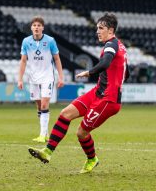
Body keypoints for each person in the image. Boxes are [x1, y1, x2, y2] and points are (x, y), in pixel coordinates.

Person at [28, 13, 129, 173]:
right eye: (97, 28)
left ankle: (92, 159)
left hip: (108, 100)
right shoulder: (120, 46)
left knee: (81, 133)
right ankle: (47, 152)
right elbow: (126, 72)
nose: (97, 31)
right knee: (65, 114)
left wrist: (89, 72)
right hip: (98, 92)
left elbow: (105, 63)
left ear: (110, 30)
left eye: (101, 28)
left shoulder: (111, 45)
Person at [18, 16, 64, 143]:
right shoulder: (26, 41)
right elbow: (23, 61)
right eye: (34, 25)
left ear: (43, 28)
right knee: (39, 106)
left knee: (44, 104)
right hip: (33, 78)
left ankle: (42, 135)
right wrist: (20, 79)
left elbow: (57, 59)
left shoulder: (50, 41)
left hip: (47, 77)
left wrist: (61, 77)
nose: (36, 27)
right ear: (31, 28)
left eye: (39, 25)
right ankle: (45, 132)